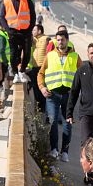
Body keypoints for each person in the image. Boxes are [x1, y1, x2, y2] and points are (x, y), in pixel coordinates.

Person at [37, 31, 81, 162]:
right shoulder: (50, 55)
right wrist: (42, 87)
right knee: (52, 122)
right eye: (58, 40)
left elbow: (82, 75)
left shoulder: (75, 56)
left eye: (62, 40)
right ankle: (54, 149)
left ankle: (65, 152)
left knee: (68, 123)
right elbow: (41, 73)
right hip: (52, 95)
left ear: (67, 40)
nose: (60, 42)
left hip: (69, 95)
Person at [0, 0, 36, 83]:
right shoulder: (7, 1)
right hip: (13, 32)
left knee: (27, 53)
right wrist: (8, 30)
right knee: (13, 54)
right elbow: (2, 18)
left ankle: (22, 70)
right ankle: (15, 73)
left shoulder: (28, 1)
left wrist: (30, 29)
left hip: (25, 32)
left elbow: (33, 16)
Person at [29, 24, 49, 112]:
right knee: (35, 87)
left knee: (42, 87)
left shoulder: (46, 39)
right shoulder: (33, 39)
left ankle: (44, 107)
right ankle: (39, 106)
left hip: (43, 67)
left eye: (34, 30)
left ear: (39, 31)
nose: (32, 32)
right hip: (34, 67)